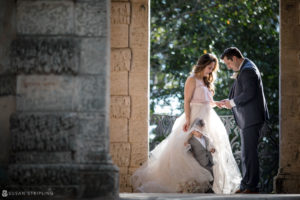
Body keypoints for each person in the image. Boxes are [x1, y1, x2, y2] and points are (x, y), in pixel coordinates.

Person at [131, 53, 241, 194]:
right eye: (209, 67)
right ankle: (189, 185)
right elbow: (188, 101)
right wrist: (188, 120)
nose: (210, 71)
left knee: (211, 151)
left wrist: (216, 103)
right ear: (202, 65)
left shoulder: (206, 80)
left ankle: (207, 185)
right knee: (189, 151)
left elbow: (206, 102)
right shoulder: (192, 79)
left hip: (208, 119)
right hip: (195, 118)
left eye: (213, 69)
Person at [219, 47, 269, 194]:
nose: (228, 67)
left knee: (249, 153)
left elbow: (249, 93)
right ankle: (246, 184)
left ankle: (251, 186)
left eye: (228, 63)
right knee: (246, 153)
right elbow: (241, 91)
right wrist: (229, 101)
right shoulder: (246, 68)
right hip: (248, 118)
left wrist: (232, 103)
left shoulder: (248, 70)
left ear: (234, 58)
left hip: (251, 118)